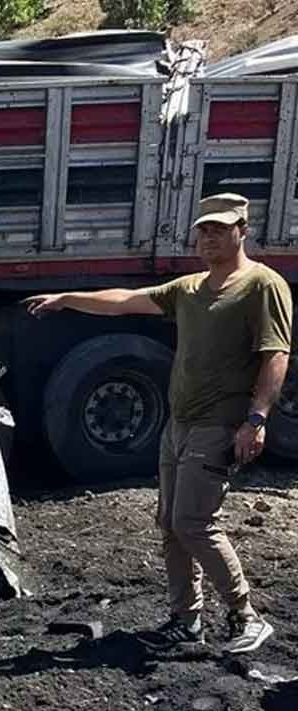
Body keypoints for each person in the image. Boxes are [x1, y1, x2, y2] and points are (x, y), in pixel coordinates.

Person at [25, 193, 293, 654]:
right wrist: (68, 298)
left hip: (220, 422)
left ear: (243, 231)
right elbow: (126, 301)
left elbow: (276, 355)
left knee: (194, 521)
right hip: (179, 423)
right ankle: (186, 620)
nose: (208, 237)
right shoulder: (188, 289)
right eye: (203, 229)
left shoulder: (262, 286)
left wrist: (257, 418)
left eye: (220, 229)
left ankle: (245, 614)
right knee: (170, 523)